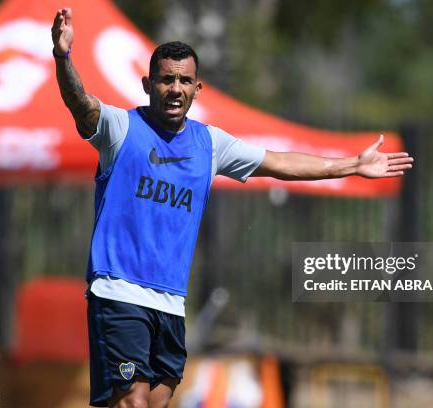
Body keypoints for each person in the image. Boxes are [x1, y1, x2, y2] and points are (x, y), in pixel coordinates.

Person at [51, 7, 413, 408]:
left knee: (151, 404)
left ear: (198, 88)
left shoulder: (210, 145)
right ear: (147, 83)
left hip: (170, 302)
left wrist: (352, 166)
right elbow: (80, 103)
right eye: (166, 79)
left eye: (184, 80)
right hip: (118, 291)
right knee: (132, 402)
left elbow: (281, 163)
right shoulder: (121, 130)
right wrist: (63, 57)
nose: (175, 88)